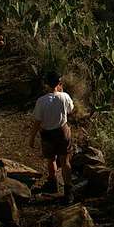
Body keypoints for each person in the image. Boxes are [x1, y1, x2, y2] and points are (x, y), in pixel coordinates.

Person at [29, 70, 75, 203]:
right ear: (59, 83)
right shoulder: (64, 96)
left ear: (46, 84)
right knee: (65, 161)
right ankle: (68, 191)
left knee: (51, 159)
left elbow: (37, 121)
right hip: (62, 131)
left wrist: (31, 137)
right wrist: (62, 91)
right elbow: (70, 110)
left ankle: (52, 183)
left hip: (47, 133)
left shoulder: (41, 101)